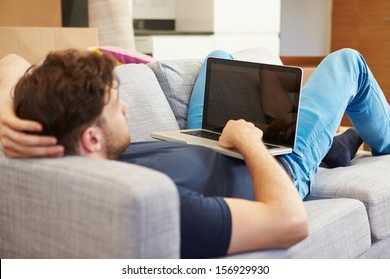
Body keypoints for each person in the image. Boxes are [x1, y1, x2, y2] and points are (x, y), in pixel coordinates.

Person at [0, 47, 389, 258]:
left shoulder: (58, 150)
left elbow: (13, 60)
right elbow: (289, 222)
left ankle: (333, 145)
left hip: (211, 142)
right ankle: (341, 143)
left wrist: (6, 101)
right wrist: (250, 142)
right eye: (115, 105)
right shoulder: (158, 206)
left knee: (219, 57)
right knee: (348, 61)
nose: (126, 109)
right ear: (91, 140)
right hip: (279, 168)